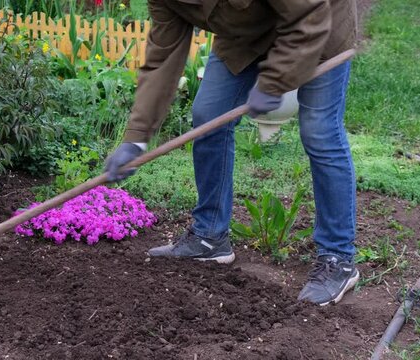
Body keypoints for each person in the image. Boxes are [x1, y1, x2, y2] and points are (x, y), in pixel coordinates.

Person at [104, 0, 359, 306]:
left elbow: (310, 15)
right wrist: (137, 138)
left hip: (316, 22)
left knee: (320, 133)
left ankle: (338, 258)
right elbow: (163, 57)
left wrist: (275, 80)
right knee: (209, 115)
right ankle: (209, 236)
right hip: (248, 34)